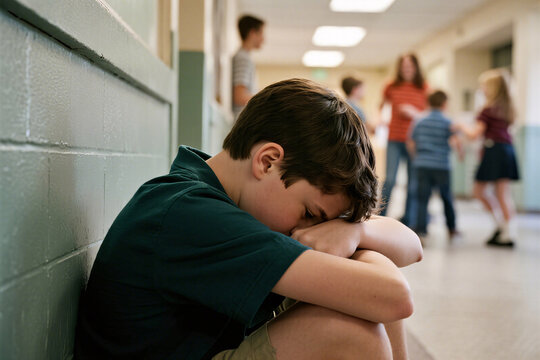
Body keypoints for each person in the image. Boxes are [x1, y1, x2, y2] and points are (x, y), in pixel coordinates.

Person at [75, 78, 423, 360]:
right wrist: (354, 239)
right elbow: (395, 299)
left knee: (368, 264)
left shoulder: (210, 192)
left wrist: (355, 232)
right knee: (352, 333)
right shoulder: (193, 215)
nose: (309, 231)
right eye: (310, 214)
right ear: (268, 161)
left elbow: (411, 247)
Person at [457, 69, 519, 247]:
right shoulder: (507, 109)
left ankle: (502, 226)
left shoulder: (488, 110)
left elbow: (474, 134)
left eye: (484, 85)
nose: (481, 89)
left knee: (479, 191)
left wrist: (461, 125)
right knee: (503, 194)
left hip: (494, 151)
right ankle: (507, 230)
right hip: (507, 150)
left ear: (492, 88)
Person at [379, 53, 428, 229]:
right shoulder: (391, 86)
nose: (407, 69)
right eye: (404, 66)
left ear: (415, 67)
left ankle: (409, 219)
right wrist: (381, 119)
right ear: (400, 68)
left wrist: (413, 112)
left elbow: (427, 116)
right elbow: (382, 105)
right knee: (390, 179)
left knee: (413, 182)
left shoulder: (423, 87)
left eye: (410, 65)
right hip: (394, 139)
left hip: (414, 141)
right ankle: (380, 216)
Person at [408, 90, 462, 240]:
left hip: (422, 165)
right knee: (446, 197)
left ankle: (421, 231)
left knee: (422, 199)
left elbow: (411, 142)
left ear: (428, 102)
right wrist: (460, 154)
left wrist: (416, 158)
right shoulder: (448, 122)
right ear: (445, 104)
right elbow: (456, 141)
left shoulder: (419, 120)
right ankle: (451, 229)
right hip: (442, 166)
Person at [232, 15, 265, 118]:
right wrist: (265, 100)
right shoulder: (243, 59)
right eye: (261, 33)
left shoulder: (243, 57)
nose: (263, 39)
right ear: (252, 33)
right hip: (242, 121)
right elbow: (239, 96)